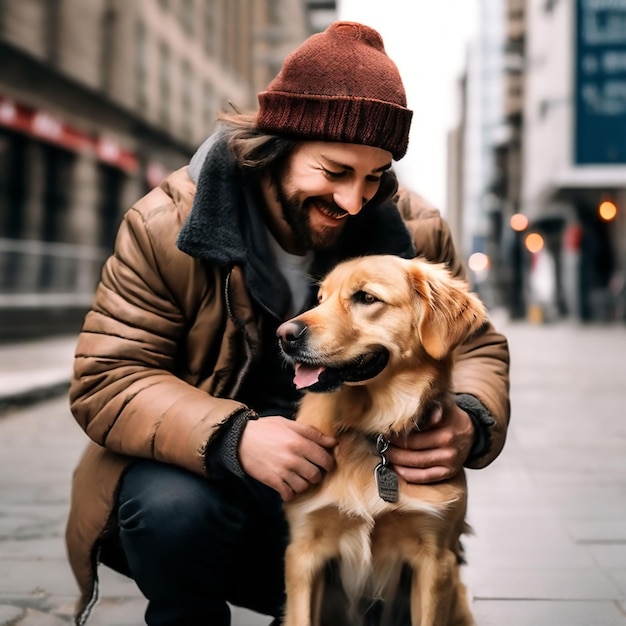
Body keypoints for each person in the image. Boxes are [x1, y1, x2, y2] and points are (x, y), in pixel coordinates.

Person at [66, 21, 510, 626]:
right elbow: (107, 376)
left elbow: (477, 343)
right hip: (220, 487)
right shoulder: (163, 226)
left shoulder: (416, 232)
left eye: (374, 175)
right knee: (169, 509)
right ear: (277, 144)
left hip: (363, 483)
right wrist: (235, 436)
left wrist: (471, 418)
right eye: (334, 171)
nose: (355, 200)